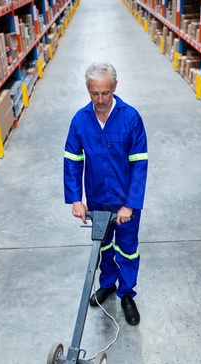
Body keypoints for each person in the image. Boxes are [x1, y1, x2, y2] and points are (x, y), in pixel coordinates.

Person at [63, 62, 148, 326]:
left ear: (115, 88)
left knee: (127, 248)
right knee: (104, 246)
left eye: (105, 93)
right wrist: (76, 199)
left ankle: (126, 294)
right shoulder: (80, 120)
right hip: (97, 199)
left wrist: (130, 205)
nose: (100, 100)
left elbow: (140, 164)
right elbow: (72, 160)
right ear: (88, 90)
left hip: (124, 202)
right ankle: (108, 284)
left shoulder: (130, 118)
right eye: (94, 94)